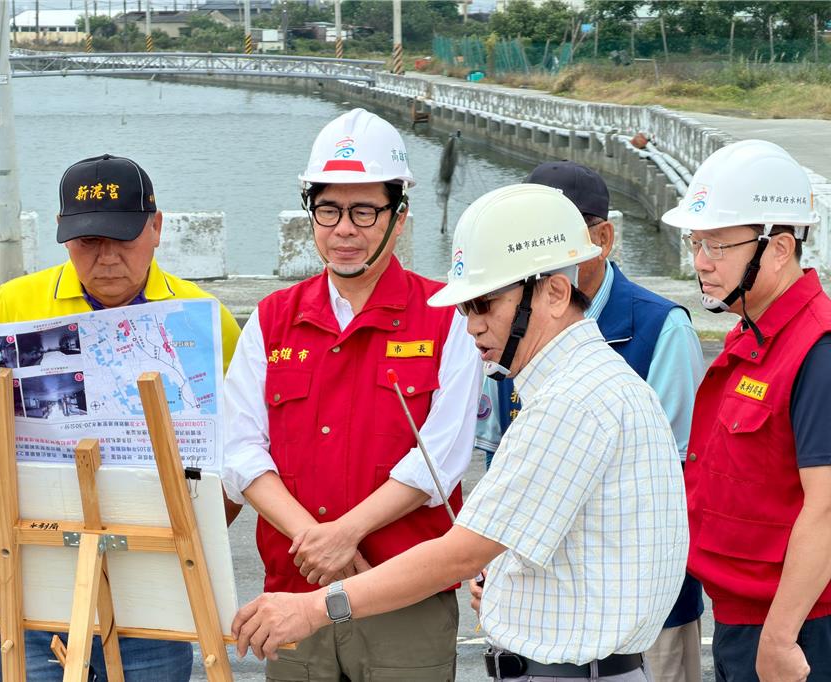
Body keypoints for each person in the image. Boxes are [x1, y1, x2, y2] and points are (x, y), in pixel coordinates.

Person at [230, 183, 689, 682]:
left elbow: (461, 553)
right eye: (466, 308)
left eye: (484, 305)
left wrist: (315, 608)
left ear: (555, 293)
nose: (471, 327)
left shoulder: (570, 401)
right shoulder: (589, 385)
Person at [0, 153, 241, 681]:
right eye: (87, 242)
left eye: (122, 238)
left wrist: (197, 541)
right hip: (38, 584)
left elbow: (238, 459)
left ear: (156, 227)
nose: (106, 259)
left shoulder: (204, 319)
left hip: (156, 590)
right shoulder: (17, 304)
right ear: (62, 236)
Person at [221, 108, 482, 680]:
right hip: (292, 595)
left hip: (402, 598)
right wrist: (318, 544)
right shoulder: (272, 320)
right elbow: (240, 452)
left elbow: (441, 455)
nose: (344, 229)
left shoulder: (448, 319)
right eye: (329, 209)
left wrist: (346, 534)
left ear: (400, 216)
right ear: (310, 212)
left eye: (365, 210)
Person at [472, 161, 706, 682]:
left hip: (639, 616)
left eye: (553, 232)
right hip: (543, 604)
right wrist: (495, 564)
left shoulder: (659, 328)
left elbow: (675, 480)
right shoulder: (509, 325)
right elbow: (499, 466)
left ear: (602, 237)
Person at [662, 139, 831, 682]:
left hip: (798, 626)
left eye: (716, 244)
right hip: (743, 617)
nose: (700, 262)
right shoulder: (753, 333)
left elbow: (826, 509)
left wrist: (781, 639)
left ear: (778, 249)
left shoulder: (816, 349)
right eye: (695, 242)